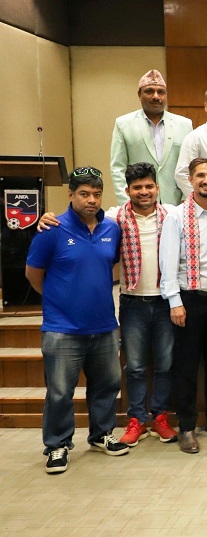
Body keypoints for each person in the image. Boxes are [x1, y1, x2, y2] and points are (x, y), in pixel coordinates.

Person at [36, 162, 180, 447]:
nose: (144, 192)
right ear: (127, 190)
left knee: (164, 364)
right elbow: (37, 271)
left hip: (166, 301)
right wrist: (46, 217)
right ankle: (136, 419)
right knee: (134, 367)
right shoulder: (115, 219)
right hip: (132, 303)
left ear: (157, 188)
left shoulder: (173, 215)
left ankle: (159, 416)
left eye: (148, 186)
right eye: (137, 187)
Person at [26, 167, 128, 474]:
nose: (91, 200)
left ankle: (101, 434)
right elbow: (33, 275)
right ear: (71, 195)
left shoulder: (112, 229)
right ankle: (57, 445)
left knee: (107, 385)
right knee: (60, 392)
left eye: (97, 194)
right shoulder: (51, 229)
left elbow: (110, 266)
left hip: (104, 324)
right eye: (84, 194)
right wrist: (59, 300)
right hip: (62, 328)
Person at [159, 157, 207, 453]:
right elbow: (168, 263)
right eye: (201, 175)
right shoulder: (176, 216)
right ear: (191, 180)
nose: (206, 180)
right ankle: (187, 427)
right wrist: (174, 302)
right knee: (187, 366)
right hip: (189, 301)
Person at [110, 69, 193, 206]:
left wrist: (187, 197)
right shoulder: (123, 124)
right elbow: (118, 168)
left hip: (176, 202)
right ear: (139, 94)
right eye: (149, 91)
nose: (156, 96)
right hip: (138, 201)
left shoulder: (184, 124)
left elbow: (190, 166)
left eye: (161, 92)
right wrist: (126, 203)